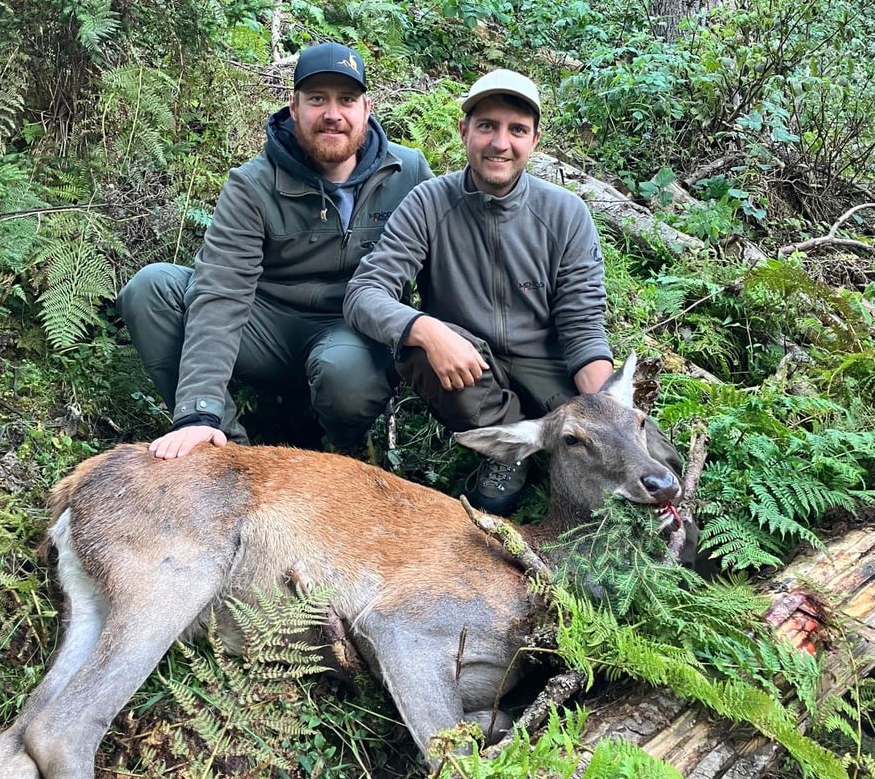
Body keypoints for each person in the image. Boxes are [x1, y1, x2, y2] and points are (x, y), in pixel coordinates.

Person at [118, 42, 433, 459]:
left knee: (346, 374)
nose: (332, 114)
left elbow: (441, 267)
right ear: (294, 105)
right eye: (317, 99)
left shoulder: (407, 171)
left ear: (367, 108)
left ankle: (344, 451)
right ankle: (226, 451)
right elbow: (221, 291)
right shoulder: (252, 184)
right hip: (265, 328)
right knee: (152, 288)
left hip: (352, 329)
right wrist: (199, 411)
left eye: (347, 100)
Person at [343, 68, 620, 515]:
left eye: (517, 130)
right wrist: (426, 329)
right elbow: (364, 294)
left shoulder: (566, 213)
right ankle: (507, 449)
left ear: (535, 140)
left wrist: (607, 407)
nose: (500, 143)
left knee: (631, 447)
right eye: (487, 126)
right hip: (469, 368)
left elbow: (582, 325)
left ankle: (556, 443)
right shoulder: (429, 202)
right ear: (464, 131)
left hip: (546, 368)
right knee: (416, 348)